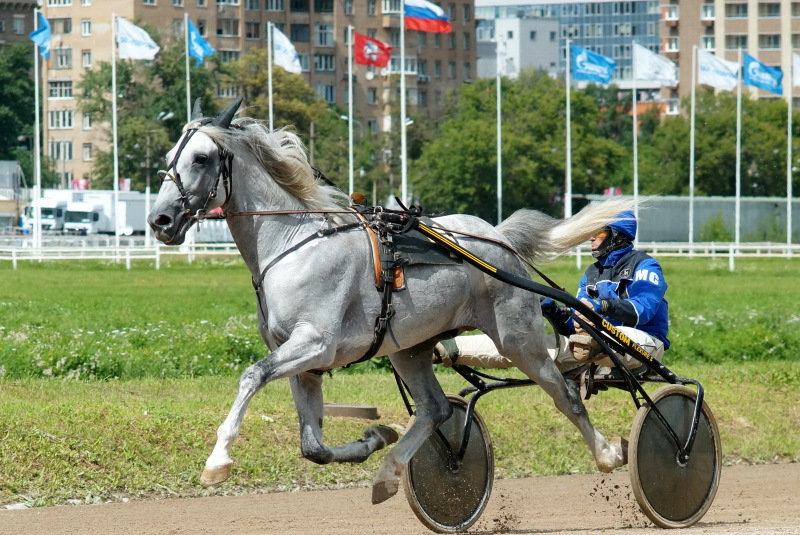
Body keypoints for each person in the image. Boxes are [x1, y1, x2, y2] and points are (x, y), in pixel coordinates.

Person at [434, 210, 669, 374]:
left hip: (643, 344)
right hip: (589, 346)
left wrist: (602, 307)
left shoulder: (645, 266)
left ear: (618, 235)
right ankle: (449, 350)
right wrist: (554, 311)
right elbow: (573, 330)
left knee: (593, 341)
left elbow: (644, 310)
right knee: (527, 345)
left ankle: (599, 345)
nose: (591, 238)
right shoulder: (592, 273)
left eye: (597, 233)